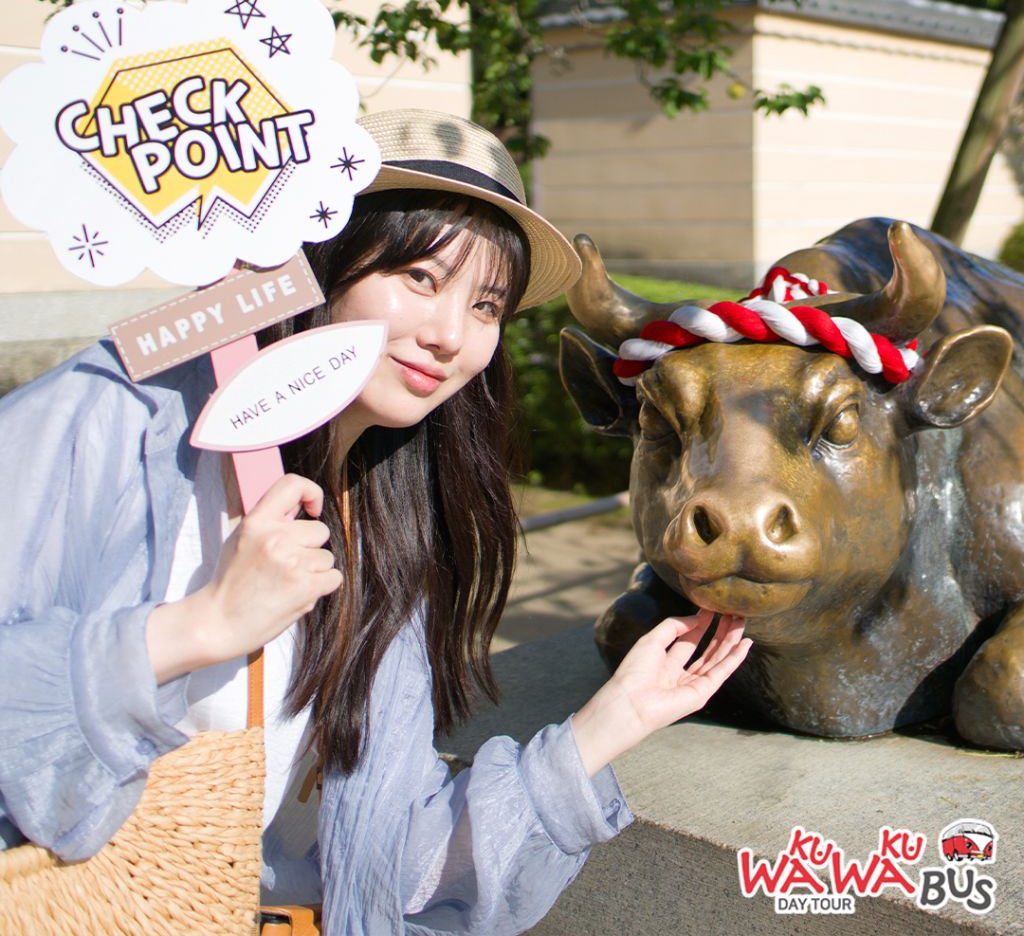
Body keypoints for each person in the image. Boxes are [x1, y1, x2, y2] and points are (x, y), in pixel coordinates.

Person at [0, 108, 750, 933]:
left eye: (487, 306)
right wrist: (196, 628)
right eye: (421, 278)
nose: (450, 337)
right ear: (321, 262)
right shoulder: (109, 418)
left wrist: (611, 722)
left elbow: (385, 864)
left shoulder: (392, 511)